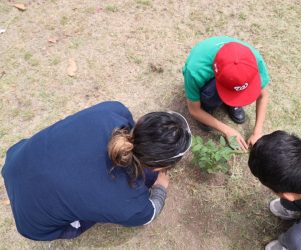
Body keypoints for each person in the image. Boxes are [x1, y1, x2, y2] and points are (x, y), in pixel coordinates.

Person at [1, 101, 192, 241]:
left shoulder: (112, 111)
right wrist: (160, 187)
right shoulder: (130, 205)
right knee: (89, 210)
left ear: (143, 121)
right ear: (159, 166)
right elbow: (150, 213)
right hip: (34, 225)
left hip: (15, 162)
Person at [183, 36, 270, 150]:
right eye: (232, 92)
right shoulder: (195, 71)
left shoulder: (253, 59)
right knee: (210, 93)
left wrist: (257, 132)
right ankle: (208, 106)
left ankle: (231, 101)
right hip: (209, 80)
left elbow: (263, 95)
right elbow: (194, 110)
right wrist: (227, 130)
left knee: (236, 83)